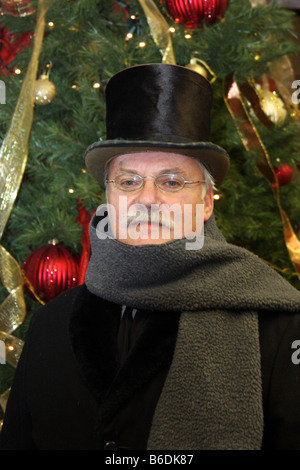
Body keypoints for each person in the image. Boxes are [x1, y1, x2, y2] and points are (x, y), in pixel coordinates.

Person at [1, 63, 300, 451]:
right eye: (128, 181)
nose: (147, 199)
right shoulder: (50, 326)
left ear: (206, 202)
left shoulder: (278, 327)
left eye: (172, 182)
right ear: (109, 197)